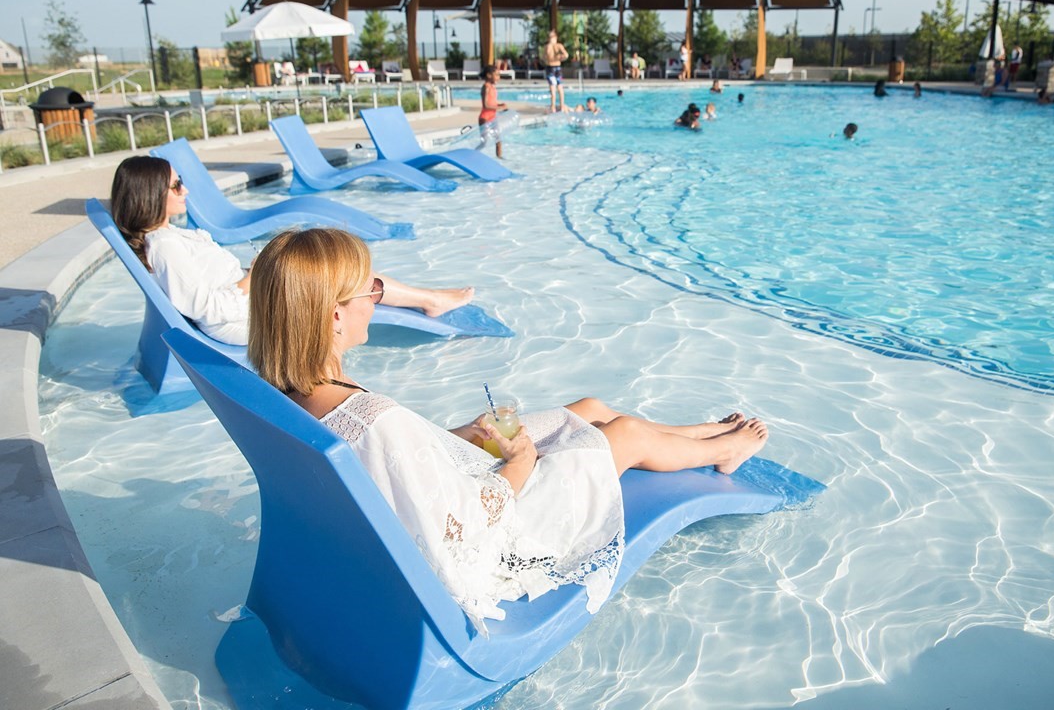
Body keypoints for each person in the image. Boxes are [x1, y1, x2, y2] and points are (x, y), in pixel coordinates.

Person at [246, 228, 768, 626]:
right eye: (373, 290)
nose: (377, 300)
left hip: (436, 493)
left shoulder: (297, 394)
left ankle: (696, 432)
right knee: (623, 433)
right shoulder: (375, 419)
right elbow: (462, 526)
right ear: (336, 315)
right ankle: (722, 452)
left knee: (586, 408)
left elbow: (396, 461)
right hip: (492, 533)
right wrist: (518, 462)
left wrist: (468, 435)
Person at [109, 156, 474, 346]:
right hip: (245, 320)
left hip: (252, 300)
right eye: (176, 185)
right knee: (345, 276)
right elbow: (208, 309)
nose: (185, 190)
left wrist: (257, 276)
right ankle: (431, 300)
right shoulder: (167, 247)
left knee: (340, 269)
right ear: (151, 194)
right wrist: (253, 279)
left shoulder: (167, 238)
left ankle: (427, 297)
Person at [478, 65, 508, 158]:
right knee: (484, 142)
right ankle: (473, 155)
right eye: (497, 75)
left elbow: (492, 103)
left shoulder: (492, 87)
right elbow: (486, 105)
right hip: (485, 118)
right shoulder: (486, 87)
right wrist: (499, 108)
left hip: (493, 117)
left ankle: (500, 159)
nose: (499, 77)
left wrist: (500, 105)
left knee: (498, 141)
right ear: (489, 75)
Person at [544, 30, 569, 113]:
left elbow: (544, 57)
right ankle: (560, 106)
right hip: (557, 67)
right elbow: (566, 55)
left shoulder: (548, 46)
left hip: (551, 68)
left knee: (554, 87)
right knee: (558, 86)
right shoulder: (558, 46)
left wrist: (559, 57)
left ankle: (554, 107)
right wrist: (560, 58)